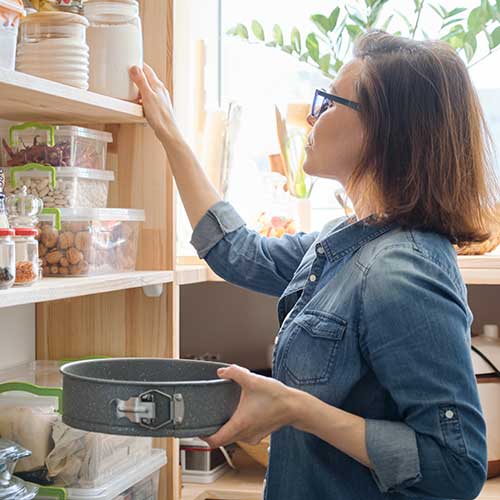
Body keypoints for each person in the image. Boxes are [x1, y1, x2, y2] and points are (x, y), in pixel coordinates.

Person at [130, 30, 497, 500]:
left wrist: (296, 409)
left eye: (328, 102)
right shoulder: (345, 240)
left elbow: (455, 467)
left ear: (381, 129)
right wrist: (172, 135)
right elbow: (238, 252)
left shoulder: (402, 270)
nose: (310, 116)